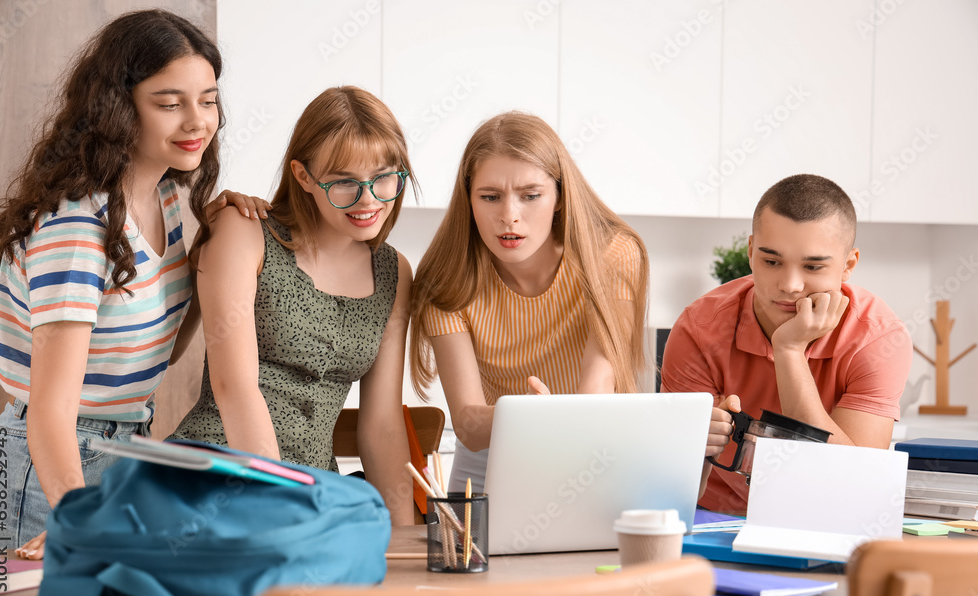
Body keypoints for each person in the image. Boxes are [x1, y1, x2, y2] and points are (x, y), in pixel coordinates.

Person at [0, 10, 268, 559]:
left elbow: (154, 348)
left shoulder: (164, 201)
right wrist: (78, 515)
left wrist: (215, 255)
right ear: (118, 108)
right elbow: (49, 409)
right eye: (169, 103)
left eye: (207, 100)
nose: (197, 121)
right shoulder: (77, 229)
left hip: (121, 448)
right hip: (44, 468)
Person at [172, 86, 416, 525]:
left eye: (384, 178)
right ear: (303, 176)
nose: (368, 200)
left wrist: (404, 542)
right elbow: (234, 387)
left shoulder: (395, 272)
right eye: (343, 182)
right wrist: (279, 507)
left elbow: (381, 425)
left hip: (315, 495)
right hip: (217, 480)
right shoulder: (243, 231)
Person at [409, 112, 649, 493]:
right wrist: (526, 417)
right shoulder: (445, 279)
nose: (509, 216)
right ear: (468, 199)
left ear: (558, 197)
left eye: (531, 196)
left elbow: (599, 384)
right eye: (489, 197)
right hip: (492, 456)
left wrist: (547, 419)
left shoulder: (612, 255)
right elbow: (470, 426)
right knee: (471, 554)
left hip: (595, 449)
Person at [661, 174, 912, 515]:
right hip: (713, 517)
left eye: (812, 266)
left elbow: (855, 485)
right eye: (772, 261)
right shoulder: (698, 328)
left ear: (848, 265)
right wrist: (691, 443)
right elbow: (667, 481)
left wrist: (789, 352)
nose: (790, 285)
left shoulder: (878, 338)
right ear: (751, 252)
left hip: (824, 518)